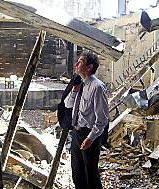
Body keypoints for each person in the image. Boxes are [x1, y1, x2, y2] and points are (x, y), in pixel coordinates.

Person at [64, 51, 109, 189]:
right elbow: (68, 105)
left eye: (80, 62)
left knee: (91, 175)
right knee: (77, 174)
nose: (76, 64)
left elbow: (102, 119)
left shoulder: (97, 87)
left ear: (89, 67)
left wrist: (91, 138)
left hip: (89, 134)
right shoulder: (80, 84)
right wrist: (74, 91)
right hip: (77, 133)